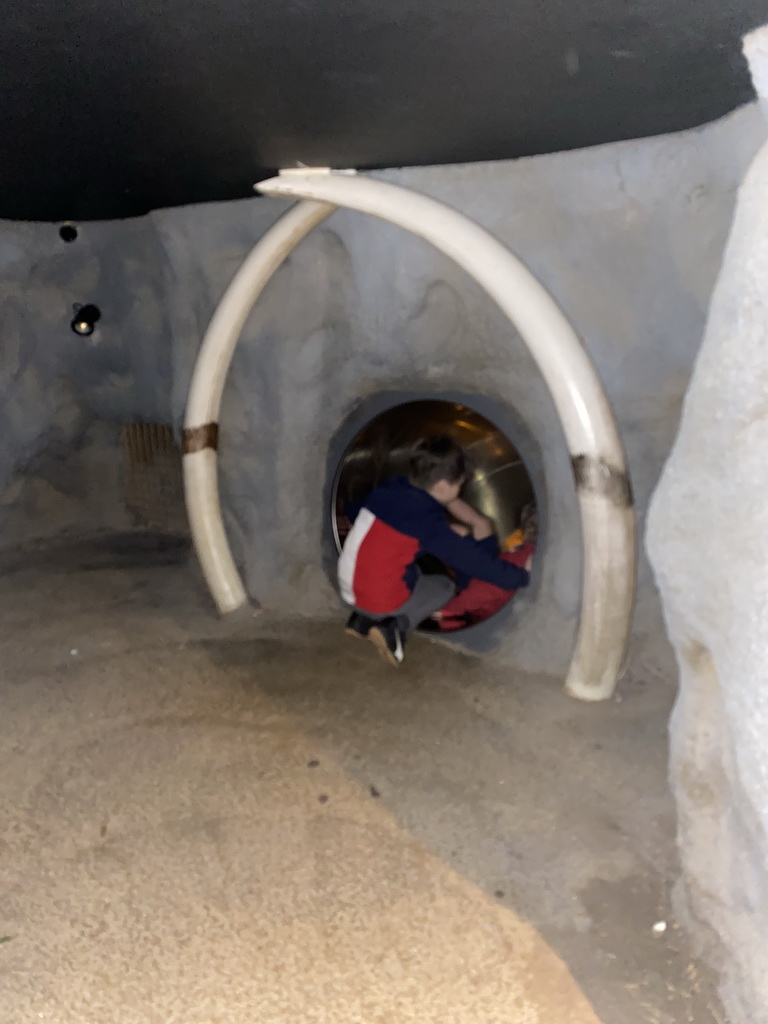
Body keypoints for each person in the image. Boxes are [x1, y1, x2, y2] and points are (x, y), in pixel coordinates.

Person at [338, 435, 531, 666]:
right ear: (441, 486)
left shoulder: (391, 489)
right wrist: (520, 576)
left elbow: (355, 512)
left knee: (408, 567)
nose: (460, 489)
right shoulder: (428, 522)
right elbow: (472, 561)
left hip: (349, 588)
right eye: (459, 484)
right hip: (377, 600)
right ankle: (395, 628)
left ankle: (361, 621)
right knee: (442, 586)